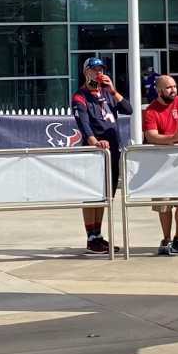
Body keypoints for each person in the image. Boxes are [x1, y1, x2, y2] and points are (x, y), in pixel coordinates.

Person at [70, 57, 129, 253]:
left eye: (101, 69)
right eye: (94, 70)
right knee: (91, 194)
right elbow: (83, 123)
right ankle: (91, 236)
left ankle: (98, 235)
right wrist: (94, 142)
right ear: (86, 72)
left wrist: (113, 90)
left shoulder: (107, 92)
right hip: (95, 151)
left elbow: (128, 109)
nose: (98, 73)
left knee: (106, 196)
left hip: (113, 149)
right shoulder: (80, 96)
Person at [142, 74, 178, 254]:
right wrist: (173, 138)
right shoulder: (151, 110)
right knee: (164, 204)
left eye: (174, 86)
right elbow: (151, 136)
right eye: (168, 87)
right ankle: (166, 239)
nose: (173, 90)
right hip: (160, 164)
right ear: (159, 90)